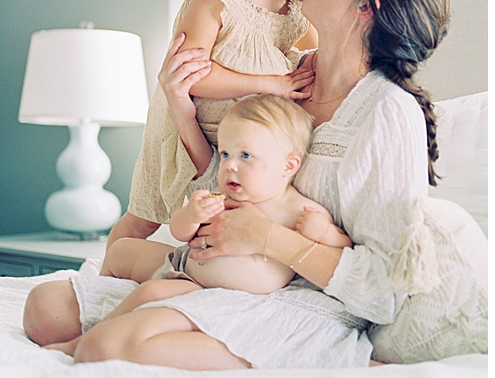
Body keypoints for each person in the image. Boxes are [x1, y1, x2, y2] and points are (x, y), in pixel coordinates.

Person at [27, 0, 487, 370]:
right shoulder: (283, 76)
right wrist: (182, 112)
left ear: (367, 7)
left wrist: (266, 239)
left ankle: (339, 361)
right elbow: (229, 184)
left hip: (306, 298)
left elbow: (383, 290)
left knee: (108, 348)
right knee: (44, 311)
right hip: (228, 268)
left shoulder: (388, 112)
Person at [24, 0, 354, 347]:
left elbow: (311, 59)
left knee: (199, 220)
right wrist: (270, 84)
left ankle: (157, 289)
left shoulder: (295, 10)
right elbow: (190, 73)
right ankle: (103, 282)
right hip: (191, 126)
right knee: (142, 217)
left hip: (235, 144)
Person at [41, 94, 351, 355]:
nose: (229, 165)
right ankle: (105, 292)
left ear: (288, 165)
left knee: (150, 294)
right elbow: (180, 232)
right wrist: (191, 214)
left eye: (246, 156)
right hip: (185, 266)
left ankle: (84, 341)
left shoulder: (299, 209)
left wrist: (323, 232)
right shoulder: (221, 195)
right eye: (226, 153)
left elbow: (343, 247)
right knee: (123, 249)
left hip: (221, 294)